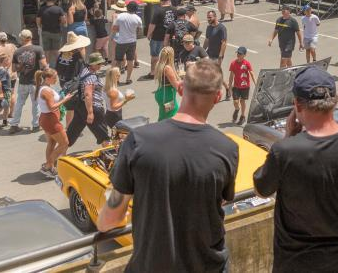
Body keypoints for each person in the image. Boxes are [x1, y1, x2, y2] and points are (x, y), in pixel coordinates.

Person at [98, 60, 239, 273]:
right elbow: (221, 200)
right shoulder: (228, 148)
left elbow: (109, 219)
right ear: (217, 98)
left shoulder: (139, 140)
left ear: (181, 90)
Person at [253, 66, 338, 271]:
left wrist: (288, 137)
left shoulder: (285, 152)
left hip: (294, 264)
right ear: (334, 102)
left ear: (297, 104)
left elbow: (261, 190)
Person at [36, 67, 73, 176]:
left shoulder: (45, 87)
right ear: (47, 78)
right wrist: (64, 100)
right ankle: (48, 166)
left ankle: (50, 167)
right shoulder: (46, 91)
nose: (56, 79)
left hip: (46, 119)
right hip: (50, 120)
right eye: (54, 77)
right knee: (64, 143)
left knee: (51, 143)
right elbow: (52, 107)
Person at [66, 52, 110, 145]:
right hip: (93, 108)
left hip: (80, 106)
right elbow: (88, 94)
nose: (100, 65)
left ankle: (56, 157)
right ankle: (109, 157)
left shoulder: (84, 70)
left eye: (101, 63)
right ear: (92, 64)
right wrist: (90, 113)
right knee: (104, 137)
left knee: (69, 137)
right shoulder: (91, 77)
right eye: (98, 64)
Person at [9, 30, 46, 132]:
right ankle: (35, 125)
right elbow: (43, 64)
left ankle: (14, 124)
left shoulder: (17, 52)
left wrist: (21, 66)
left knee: (19, 103)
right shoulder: (38, 49)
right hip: (35, 81)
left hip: (23, 81)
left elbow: (13, 69)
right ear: (31, 37)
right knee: (36, 103)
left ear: (22, 39)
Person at [111, 1, 142, 85]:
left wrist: (121, 30)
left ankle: (117, 79)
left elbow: (114, 28)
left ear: (127, 8)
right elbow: (139, 30)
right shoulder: (138, 18)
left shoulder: (120, 16)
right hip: (132, 41)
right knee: (130, 60)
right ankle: (128, 79)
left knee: (118, 61)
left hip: (121, 41)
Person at [145, 0, 174, 79]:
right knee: (169, 55)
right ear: (169, 0)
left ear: (161, 1)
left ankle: (153, 73)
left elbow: (152, 24)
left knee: (155, 56)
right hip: (171, 37)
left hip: (158, 37)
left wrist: (149, 34)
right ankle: (168, 72)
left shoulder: (158, 11)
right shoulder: (175, 9)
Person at [37, 0, 67, 66]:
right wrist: (61, 23)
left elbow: (38, 21)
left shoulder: (41, 9)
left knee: (46, 51)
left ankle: (47, 67)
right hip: (56, 32)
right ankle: (60, 66)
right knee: (56, 51)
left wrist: (41, 27)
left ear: (46, 0)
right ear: (54, 0)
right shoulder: (59, 9)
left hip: (45, 32)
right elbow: (64, 20)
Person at [228, 46, 256, 125]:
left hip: (245, 86)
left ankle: (242, 116)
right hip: (236, 86)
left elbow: (252, 73)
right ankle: (237, 109)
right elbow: (231, 76)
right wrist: (229, 87)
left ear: (244, 55)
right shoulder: (233, 63)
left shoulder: (247, 63)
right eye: (238, 53)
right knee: (236, 102)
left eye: (240, 54)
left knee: (242, 101)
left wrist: (256, 83)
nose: (238, 55)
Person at [154, 46, 181, 120]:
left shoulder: (159, 65)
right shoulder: (168, 68)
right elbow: (176, 85)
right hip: (168, 95)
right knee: (172, 117)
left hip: (161, 93)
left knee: (163, 116)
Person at [103, 65, 134, 131]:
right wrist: (126, 100)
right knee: (120, 135)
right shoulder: (113, 90)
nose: (120, 75)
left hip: (110, 114)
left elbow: (109, 103)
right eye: (118, 74)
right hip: (115, 115)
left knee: (116, 134)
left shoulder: (106, 87)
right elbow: (113, 107)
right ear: (114, 76)